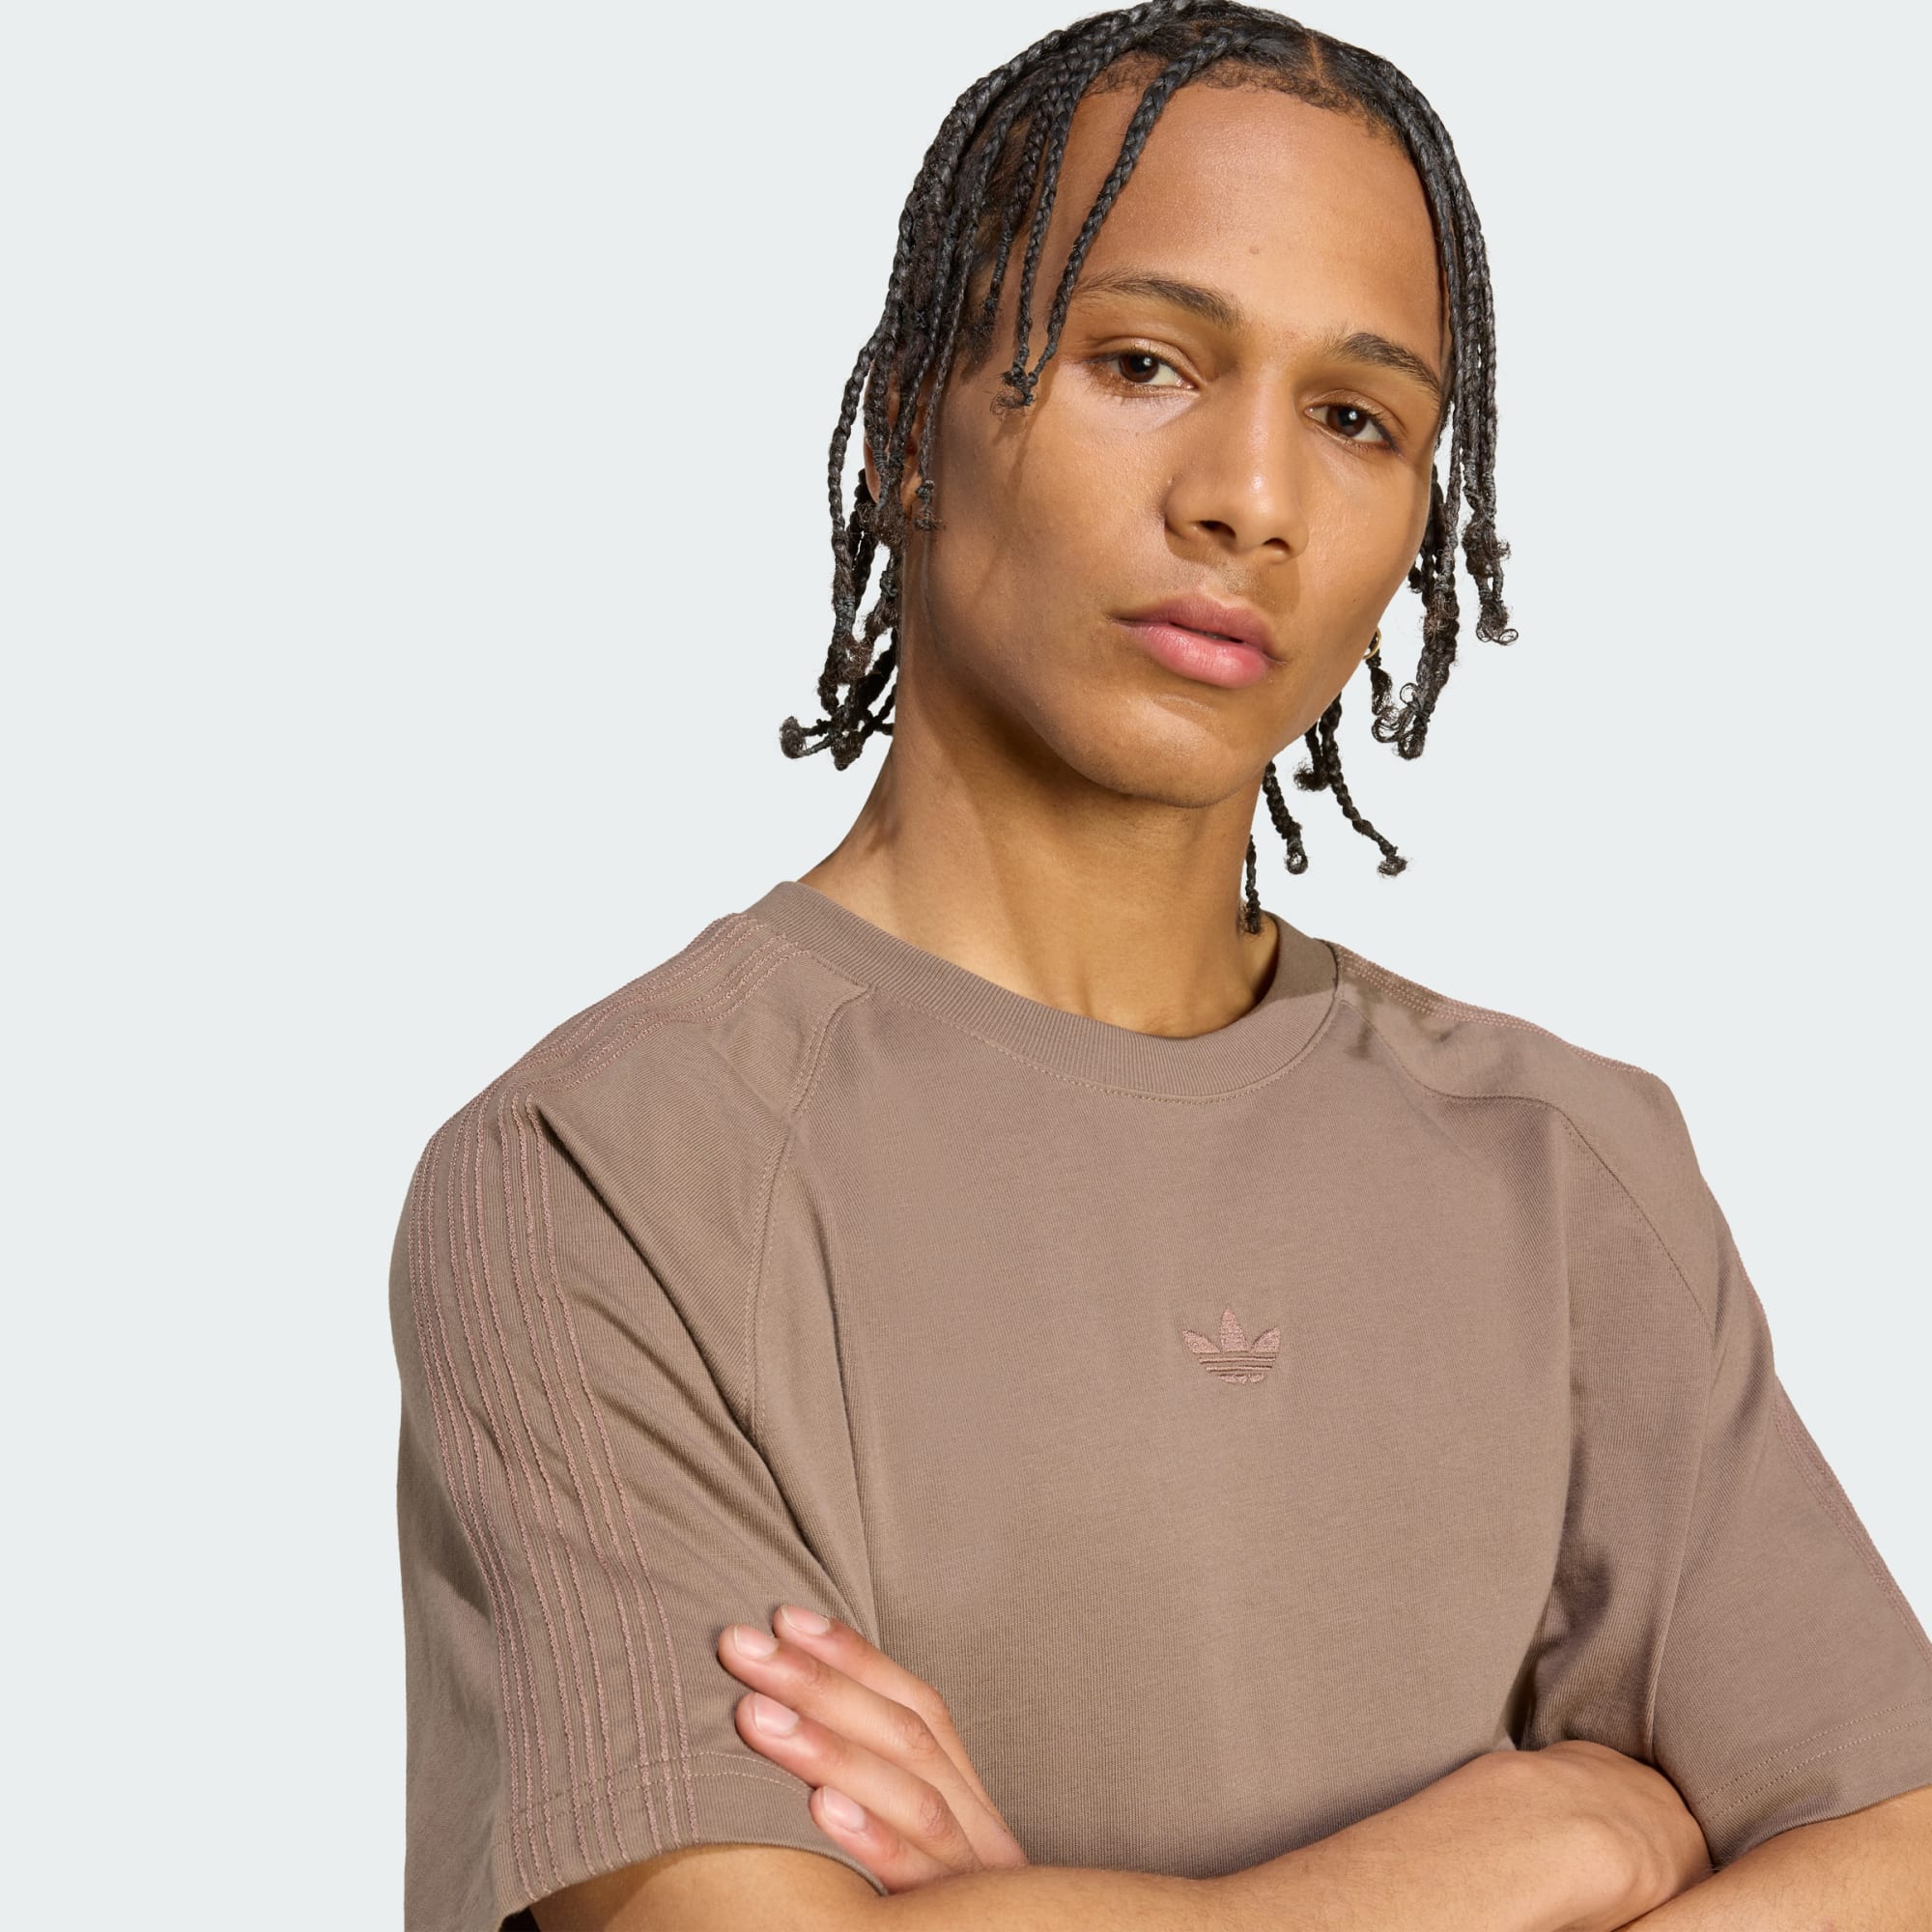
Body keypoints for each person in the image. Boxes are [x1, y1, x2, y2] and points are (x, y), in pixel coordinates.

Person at [386, 4, 1932, 1927]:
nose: (1248, 499)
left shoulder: (1566, 1163)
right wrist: (1556, 1845)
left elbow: (1901, 1850)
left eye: (1355, 419)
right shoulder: (602, 1170)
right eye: (1143, 362)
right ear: (909, 418)